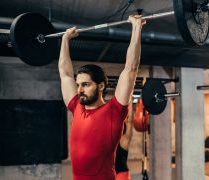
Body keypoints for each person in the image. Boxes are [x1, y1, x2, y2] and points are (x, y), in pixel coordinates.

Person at [58, 15, 146, 180]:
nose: (79, 90)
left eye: (85, 84)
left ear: (100, 86)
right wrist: (65, 39)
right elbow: (65, 74)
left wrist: (136, 28)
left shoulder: (114, 110)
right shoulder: (77, 106)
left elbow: (131, 69)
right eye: (78, 85)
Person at [115, 102, 133, 180]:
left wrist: (130, 101)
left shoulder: (123, 141)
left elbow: (130, 122)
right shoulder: (108, 140)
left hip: (121, 175)